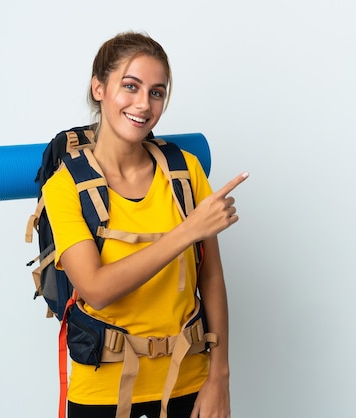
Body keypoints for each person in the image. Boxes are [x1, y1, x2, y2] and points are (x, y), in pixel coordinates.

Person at [42, 31, 248, 418]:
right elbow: (96, 289)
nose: (144, 104)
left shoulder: (185, 171)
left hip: (190, 383)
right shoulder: (64, 187)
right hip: (102, 393)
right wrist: (188, 231)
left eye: (157, 92)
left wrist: (219, 376)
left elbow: (212, 279)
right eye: (130, 87)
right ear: (99, 88)